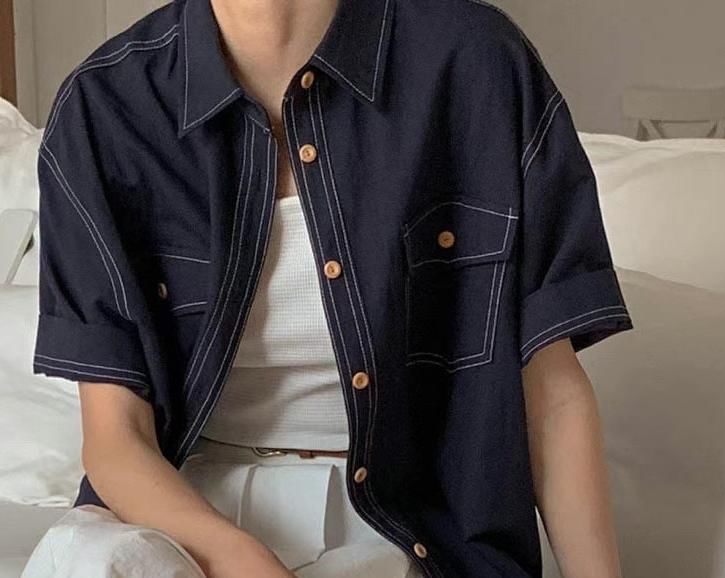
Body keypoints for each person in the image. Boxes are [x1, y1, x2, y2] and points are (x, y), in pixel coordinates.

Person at [23, 0, 635, 576]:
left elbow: (551, 395)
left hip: (405, 529)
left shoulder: (478, 63)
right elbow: (115, 438)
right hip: (177, 521)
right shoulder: (103, 108)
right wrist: (242, 561)